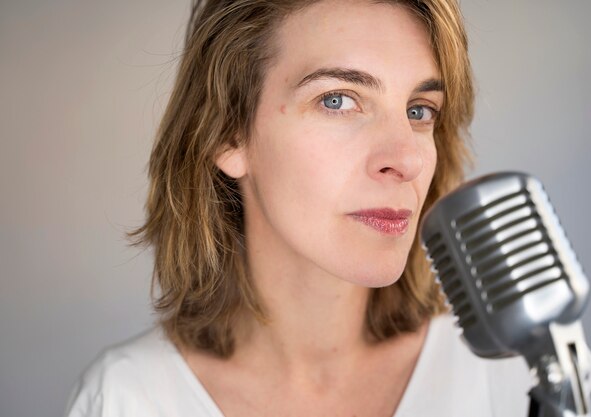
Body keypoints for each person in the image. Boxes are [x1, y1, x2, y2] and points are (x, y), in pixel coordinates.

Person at [65, 0, 535, 415]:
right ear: (228, 133)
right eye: (337, 100)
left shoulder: (510, 372)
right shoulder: (127, 399)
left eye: (419, 110)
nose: (406, 159)